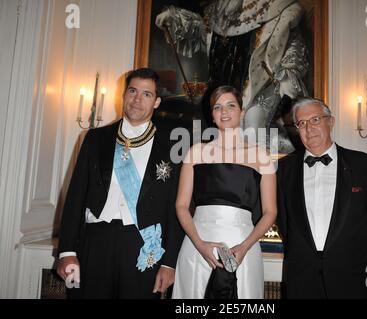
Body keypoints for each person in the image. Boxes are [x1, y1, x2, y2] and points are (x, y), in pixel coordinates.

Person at [56, 68, 184, 298]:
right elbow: (75, 197)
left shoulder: (171, 147)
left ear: (156, 102)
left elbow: (176, 209)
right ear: (124, 94)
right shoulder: (95, 139)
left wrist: (169, 263)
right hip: (95, 243)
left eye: (146, 94)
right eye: (133, 91)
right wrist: (67, 249)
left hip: (142, 247)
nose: (137, 99)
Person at [155, 0, 310, 153]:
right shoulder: (219, 9)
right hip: (222, 87)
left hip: (259, 86)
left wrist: (287, 74)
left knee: (253, 123)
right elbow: (202, 30)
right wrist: (175, 18)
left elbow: (293, 49)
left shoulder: (280, 7)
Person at [276, 97, 367, 298]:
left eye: (315, 120)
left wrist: (361, 260)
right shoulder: (284, 169)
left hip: (353, 278)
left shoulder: (366, 166)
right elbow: (284, 222)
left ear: (331, 121)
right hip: (302, 278)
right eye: (301, 123)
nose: (308, 128)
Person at [172, 85, 277, 298]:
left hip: (243, 249)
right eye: (218, 107)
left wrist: (245, 247)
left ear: (242, 111)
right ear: (212, 115)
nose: (224, 112)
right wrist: (200, 245)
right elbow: (181, 206)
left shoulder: (261, 156)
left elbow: (270, 212)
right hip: (197, 245)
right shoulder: (196, 152)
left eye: (231, 105)